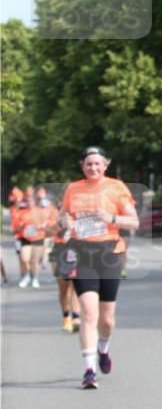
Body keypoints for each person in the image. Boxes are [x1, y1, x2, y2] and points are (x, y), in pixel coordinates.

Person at [60, 147, 139, 389]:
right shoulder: (72, 189)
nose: (93, 168)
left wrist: (111, 218)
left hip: (109, 255)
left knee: (106, 318)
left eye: (97, 164)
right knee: (88, 313)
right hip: (82, 254)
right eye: (88, 164)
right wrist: (65, 221)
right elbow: (62, 217)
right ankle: (89, 370)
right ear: (82, 166)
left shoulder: (116, 187)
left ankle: (103, 348)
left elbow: (133, 221)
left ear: (105, 165)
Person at [46, 201, 81, 333]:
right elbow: (48, 231)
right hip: (59, 249)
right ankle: (66, 316)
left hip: (75, 249)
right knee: (63, 288)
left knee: (75, 283)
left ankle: (76, 317)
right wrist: (60, 224)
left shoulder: (80, 213)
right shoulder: (54, 213)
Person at [14, 186, 48, 288]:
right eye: (28, 200)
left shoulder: (41, 211)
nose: (30, 202)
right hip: (25, 238)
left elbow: (48, 222)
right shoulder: (21, 212)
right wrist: (20, 225)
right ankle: (28, 275)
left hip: (38, 237)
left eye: (32, 200)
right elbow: (15, 227)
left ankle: (35, 278)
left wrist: (42, 225)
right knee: (25, 258)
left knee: (34, 260)